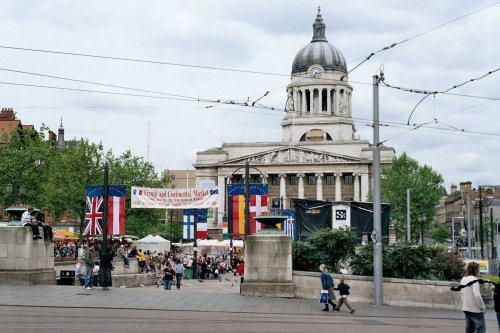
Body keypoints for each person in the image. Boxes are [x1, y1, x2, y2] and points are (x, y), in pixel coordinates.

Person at [460, 262, 486, 333]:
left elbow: (461, 293)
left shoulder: (463, 279)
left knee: (469, 329)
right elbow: (477, 295)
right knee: (481, 329)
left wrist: (465, 302)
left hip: (466, 308)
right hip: (475, 310)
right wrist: (483, 307)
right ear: (475, 270)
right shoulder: (474, 280)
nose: (479, 271)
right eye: (478, 269)